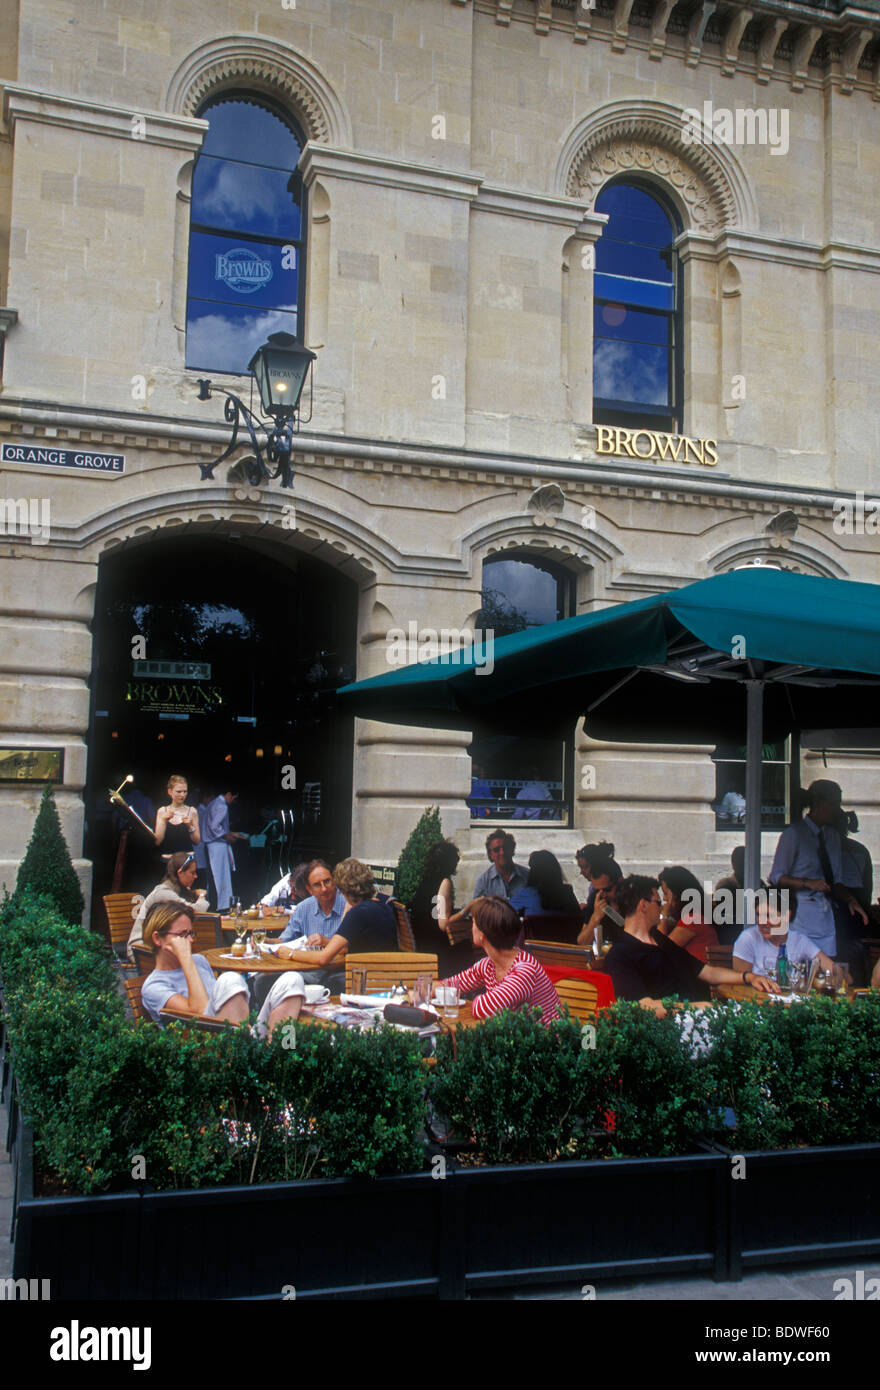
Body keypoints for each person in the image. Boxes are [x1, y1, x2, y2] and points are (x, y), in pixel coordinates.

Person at [604, 875, 779, 1017]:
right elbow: (645, 1007)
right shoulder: (620, 954)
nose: (662, 907)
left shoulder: (659, 940)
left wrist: (749, 977)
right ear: (643, 905)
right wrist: (696, 1008)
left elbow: (707, 972)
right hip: (676, 1026)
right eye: (658, 902)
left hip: (701, 1015)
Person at [139, 902, 304, 1039]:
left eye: (191, 933)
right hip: (206, 1049)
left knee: (292, 980)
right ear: (157, 939)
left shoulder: (199, 961)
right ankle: (241, 1063)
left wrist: (190, 961)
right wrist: (186, 960)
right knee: (229, 980)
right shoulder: (154, 986)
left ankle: (280, 1055)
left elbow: (225, 1007)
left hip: (235, 1034)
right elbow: (200, 1015)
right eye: (182, 935)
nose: (189, 940)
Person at [769, 780, 868, 959]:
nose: (836, 809)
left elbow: (837, 881)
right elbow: (776, 877)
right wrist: (807, 883)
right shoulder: (794, 834)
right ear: (818, 803)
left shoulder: (832, 837)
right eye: (833, 804)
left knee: (827, 969)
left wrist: (851, 899)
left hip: (825, 917)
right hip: (800, 916)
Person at [276, 858, 397, 995]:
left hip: (365, 984)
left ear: (342, 887)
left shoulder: (358, 914)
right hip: (386, 981)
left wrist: (291, 953)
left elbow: (323, 958)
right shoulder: (382, 907)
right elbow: (351, 946)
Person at [437, 895, 560, 1025]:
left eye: (473, 923)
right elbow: (450, 985)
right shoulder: (488, 965)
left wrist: (470, 1000)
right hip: (518, 1037)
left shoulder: (524, 970)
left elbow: (483, 1008)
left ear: (482, 934)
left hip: (547, 1041)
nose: (471, 928)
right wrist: (420, 991)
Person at [411, 840, 478, 976]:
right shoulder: (444, 883)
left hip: (422, 946)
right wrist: (468, 909)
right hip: (439, 953)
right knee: (471, 948)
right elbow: (443, 924)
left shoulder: (424, 882)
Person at [732, 893, 835, 980]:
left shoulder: (799, 940)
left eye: (768, 916)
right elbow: (740, 984)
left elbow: (832, 969)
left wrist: (840, 974)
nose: (761, 921)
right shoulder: (748, 938)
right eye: (759, 914)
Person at [127, 850, 209, 958]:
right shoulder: (163, 893)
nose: (196, 876)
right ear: (180, 873)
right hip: (141, 949)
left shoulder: (177, 890)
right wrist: (202, 896)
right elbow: (196, 911)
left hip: (157, 945)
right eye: (192, 873)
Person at [656, 865, 719, 964]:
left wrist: (664, 916)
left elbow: (660, 951)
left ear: (677, 894)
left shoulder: (692, 919)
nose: (664, 898)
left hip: (699, 978)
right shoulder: (694, 917)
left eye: (666, 893)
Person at [203, 786, 248, 912]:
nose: (234, 800)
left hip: (211, 845)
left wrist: (230, 833)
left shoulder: (212, 803)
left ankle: (218, 905)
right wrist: (227, 836)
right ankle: (223, 906)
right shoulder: (221, 805)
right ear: (228, 794)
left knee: (214, 878)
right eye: (234, 797)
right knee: (221, 877)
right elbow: (214, 826)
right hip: (217, 845)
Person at [511, 849, 580, 918]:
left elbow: (504, 912)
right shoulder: (568, 893)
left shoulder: (527, 894)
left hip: (535, 928)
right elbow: (578, 918)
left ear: (533, 872)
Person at [577, 851, 625, 950]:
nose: (602, 894)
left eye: (607, 890)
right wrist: (595, 918)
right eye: (598, 890)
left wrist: (613, 912)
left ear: (620, 882)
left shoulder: (633, 898)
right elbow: (582, 943)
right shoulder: (597, 898)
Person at [153, 775, 200, 859]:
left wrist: (189, 826)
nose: (182, 795)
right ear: (170, 791)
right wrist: (163, 821)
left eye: (185, 791)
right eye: (179, 791)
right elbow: (157, 841)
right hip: (168, 858)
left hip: (187, 859)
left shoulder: (192, 811)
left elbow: (197, 841)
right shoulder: (162, 811)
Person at [473, 830, 528, 900]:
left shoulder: (527, 877)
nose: (502, 852)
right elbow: (477, 909)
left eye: (505, 848)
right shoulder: (483, 881)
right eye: (496, 850)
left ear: (512, 850)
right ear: (490, 854)